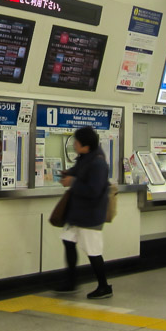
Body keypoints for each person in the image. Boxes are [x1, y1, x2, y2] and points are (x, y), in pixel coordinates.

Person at [55, 126, 112, 299]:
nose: (74, 145)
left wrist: (73, 182)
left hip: (90, 215)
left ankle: (104, 286)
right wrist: (67, 174)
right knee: (68, 241)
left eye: (76, 142)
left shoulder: (98, 163)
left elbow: (94, 190)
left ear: (85, 145)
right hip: (77, 213)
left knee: (93, 251)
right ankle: (71, 281)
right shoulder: (86, 157)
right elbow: (78, 171)